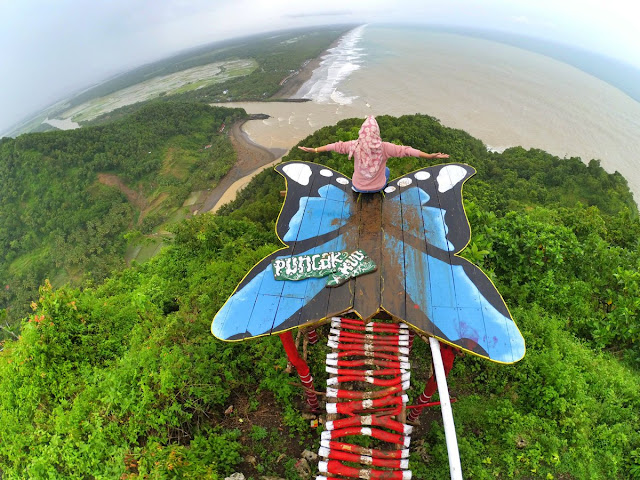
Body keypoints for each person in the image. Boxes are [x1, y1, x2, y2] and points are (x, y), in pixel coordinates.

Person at [298, 116, 450, 193]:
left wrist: (315, 150)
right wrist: (430, 156)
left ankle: (365, 186)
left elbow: (334, 146)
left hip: (357, 187)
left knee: (358, 172)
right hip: (378, 187)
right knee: (387, 170)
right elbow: (408, 151)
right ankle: (380, 191)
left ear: (361, 132)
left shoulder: (354, 145)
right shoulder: (384, 148)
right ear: (377, 132)